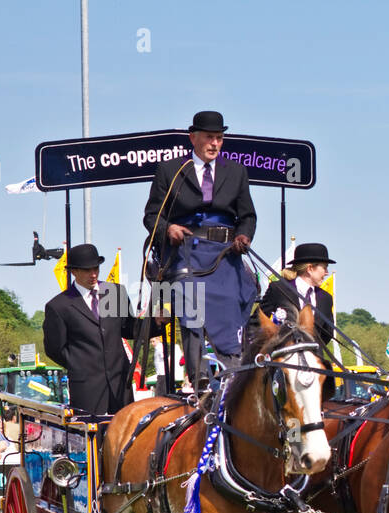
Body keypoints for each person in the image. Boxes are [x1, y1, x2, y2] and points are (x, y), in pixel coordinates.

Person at [143, 110, 257, 390]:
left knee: (236, 301)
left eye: (219, 138)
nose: (215, 143)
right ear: (193, 138)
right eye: (209, 137)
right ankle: (199, 374)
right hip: (185, 254)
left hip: (224, 253)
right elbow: (151, 215)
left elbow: (248, 215)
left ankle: (233, 375)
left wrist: (244, 235)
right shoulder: (171, 170)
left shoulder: (236, 172)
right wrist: (167, 229)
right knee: (190, 304)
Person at [42, 243, 147, 415]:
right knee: (92, 439)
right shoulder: (59, 306)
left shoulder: (115, 292)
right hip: (86, 389)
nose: (93, 274)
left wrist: (156, 323)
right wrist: (80, 364)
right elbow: (54, 349)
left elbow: (129, 328)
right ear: (74, 271)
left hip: (120, 387)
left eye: (96, 268)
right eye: (87, 270)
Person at [257, 243, 336, 347]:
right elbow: (257, 321)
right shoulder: (278, 289)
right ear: (310, 268)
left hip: (311, 357)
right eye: (324, 268)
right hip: (281, 357)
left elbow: (327, 333)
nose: (326, 272)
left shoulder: (326, 298)